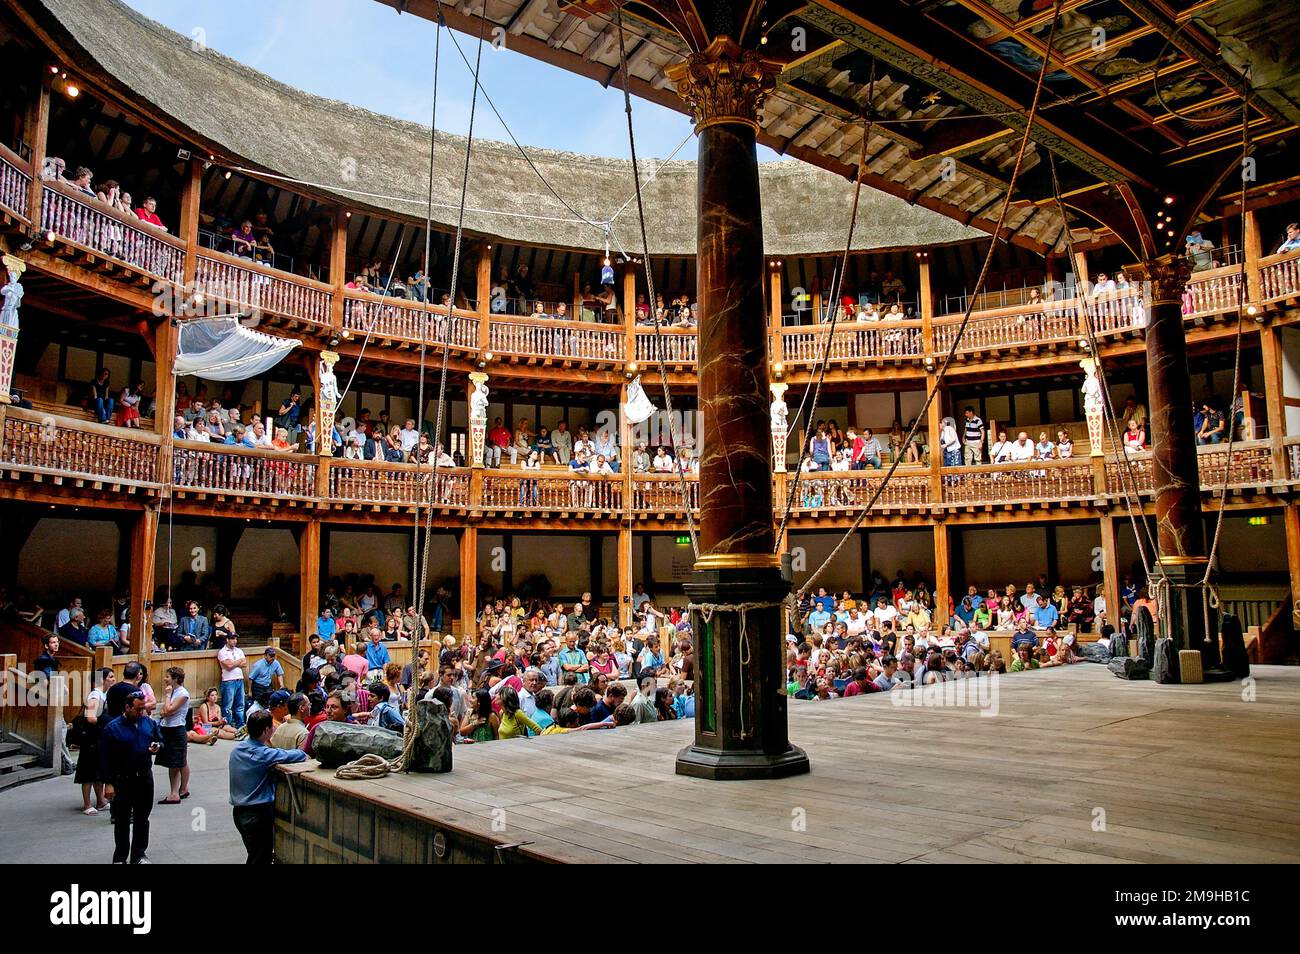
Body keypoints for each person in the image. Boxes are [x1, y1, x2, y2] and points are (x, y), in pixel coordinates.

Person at [228, 709, 309, 863]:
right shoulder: (262, 754)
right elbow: (294, 755)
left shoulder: (237, 750)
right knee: (261, 857)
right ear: (266, 730)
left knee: (256, 854)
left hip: (239, 812)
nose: (274, 729)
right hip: (257, 813)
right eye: (272, 727)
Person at [99, 691, 162, 864]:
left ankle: (139, 854)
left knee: (142, 817)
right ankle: (120, 857)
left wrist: (157, 746)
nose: (141, 712)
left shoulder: (148, 723)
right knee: (122, 820)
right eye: (138, 709)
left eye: (143, 708)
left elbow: (159, 739)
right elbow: (105, 758)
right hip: (122, 779)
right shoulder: (112, 728)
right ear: (127, 707)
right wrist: (108, 783)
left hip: (144, 777)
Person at [75, 667, 114, 815]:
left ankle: (100, 800)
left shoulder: (103, 695)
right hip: (91, 737)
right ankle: (86, 803)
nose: (112, 680)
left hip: (98, 737)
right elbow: (91, 717)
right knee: (88, 771)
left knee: (98, 770)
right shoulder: (95, 695)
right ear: (102, 679)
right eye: (110, 677)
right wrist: (104, 721)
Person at [156, 666, 190, 805]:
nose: (165, 679)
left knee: (176, 762)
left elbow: (168, 710)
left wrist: (168, 695)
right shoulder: (175, 691)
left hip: (176, 729)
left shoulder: (182, 693)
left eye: (168, 677)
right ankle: (182, 789)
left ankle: (175, 792)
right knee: (178, 760)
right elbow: (164, 711)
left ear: (175, 679)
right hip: (168, 728)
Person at [217, 633, 248, 728]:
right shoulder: (222, 652)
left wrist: (233, 663)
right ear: (227, 640)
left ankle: (240, 724)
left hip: (239, 679)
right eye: (232, 639)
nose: (235, 641)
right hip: (228, 680)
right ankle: (227, 725)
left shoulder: (239, 650)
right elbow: (229, 666)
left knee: (240, 704)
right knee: (227, 706)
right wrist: (238, 661)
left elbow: (245, 663)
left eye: (235, 639)